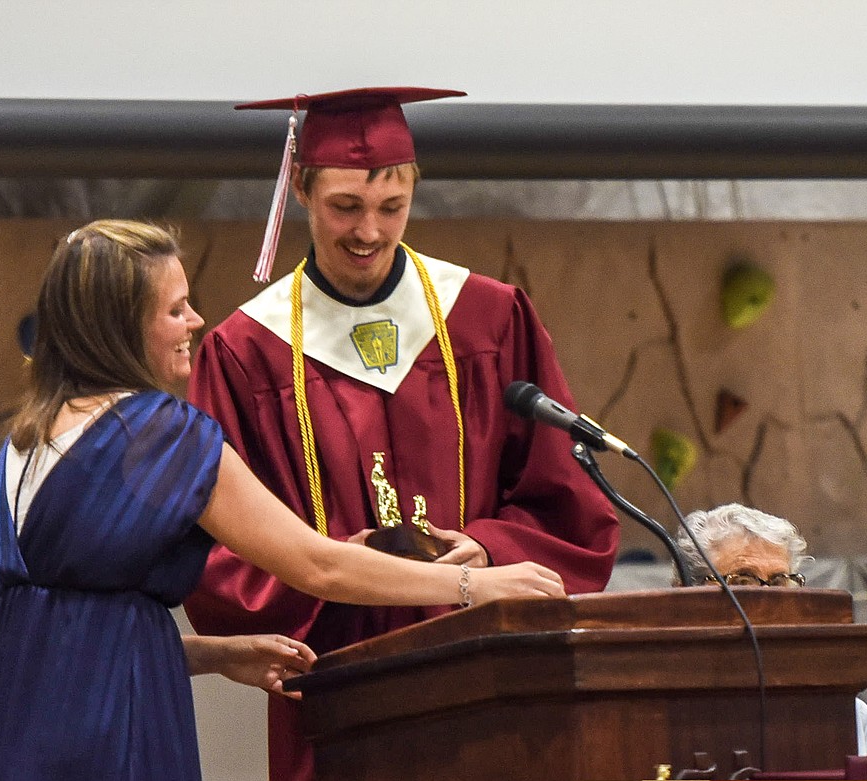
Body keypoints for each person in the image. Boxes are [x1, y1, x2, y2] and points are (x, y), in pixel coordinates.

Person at [0, 219, 568, 781]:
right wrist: (474, 587)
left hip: (14, 724)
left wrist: (214, 654)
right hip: (113, 732)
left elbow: (72, 635)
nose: (197, 321)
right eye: (175, 310)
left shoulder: (19, 447)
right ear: (121, 329)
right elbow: (317, 564)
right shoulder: (156, 435)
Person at [184, 87, 621, 780]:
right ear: (301, 189)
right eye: (346, 207)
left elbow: (564, 496)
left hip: (487, 673)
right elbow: (215, 550)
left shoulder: (486, 318)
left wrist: (484, 547)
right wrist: (321, 563)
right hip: (339, 685)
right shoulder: (246, 352)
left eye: (392, 207)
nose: (370, 232)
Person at [675, 503, 867, 757]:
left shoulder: (850, 716)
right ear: (686, 594)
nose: (769, 600)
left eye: (780, 581)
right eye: (743, 581)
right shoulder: (654, 709)